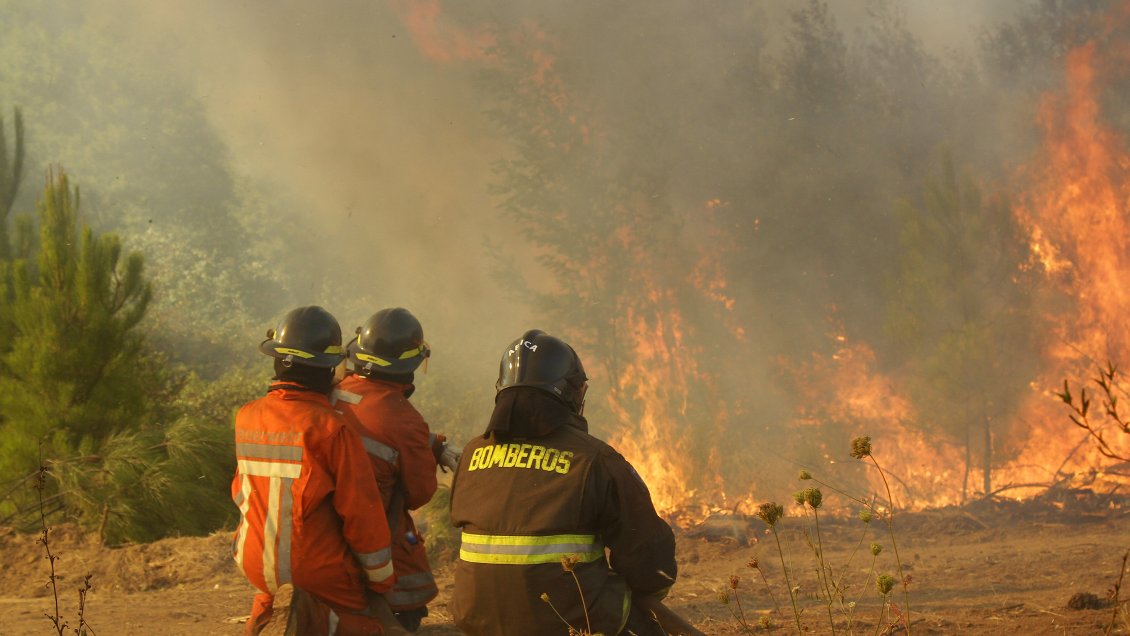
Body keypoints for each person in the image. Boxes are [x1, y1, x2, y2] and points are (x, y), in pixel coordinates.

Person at [448, 329, 678, 636]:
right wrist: (643, 593)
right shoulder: (594, 459)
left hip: (476, 622)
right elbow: (651, 557)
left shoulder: (472, 453)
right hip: (572, 623)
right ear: (574, 393)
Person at [232, 305, 402, 636]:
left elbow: (241, 491)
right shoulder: (331, 428)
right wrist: (381, 580)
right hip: (317, 573)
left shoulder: (246, 416)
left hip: (254, 565)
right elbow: (361, 515)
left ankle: (262, 620)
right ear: (327, 370)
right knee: (370, 625)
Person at [332, 308, 445, 632]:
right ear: (406, 367)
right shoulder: (403, 418)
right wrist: (425, 450)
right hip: (374, 533)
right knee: (406, 541)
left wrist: (429, 442)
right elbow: (419, 492)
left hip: (322, 530)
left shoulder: (332, 394)